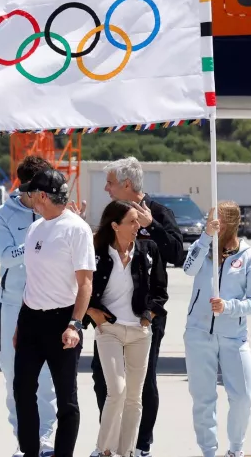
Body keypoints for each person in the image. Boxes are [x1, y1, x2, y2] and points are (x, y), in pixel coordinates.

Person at [91, 157, 184, 457]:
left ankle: (140, 444)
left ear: (127, 185)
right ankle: (112, 438)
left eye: (110, 183)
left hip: (145, 319)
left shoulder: (158, 212)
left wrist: (151, 226)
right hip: (111, 321)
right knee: (103, 379)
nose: (106, 189)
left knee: (143, 384)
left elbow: (177, 253)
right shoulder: (112, 216)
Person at [13, 169, 95, 457]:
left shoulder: (76, 229)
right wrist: (19, 325)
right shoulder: (36, 228)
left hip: (62, 322)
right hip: (30, 319)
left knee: (66, 399)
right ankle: (30, 452)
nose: (28, 197)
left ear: (43, 196)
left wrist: (75, 324)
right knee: (22, 391)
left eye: (31, 193)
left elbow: (85, 284)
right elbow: (32, 280)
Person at [85, 200, 167, 457]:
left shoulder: (147, 250)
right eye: (132, 221)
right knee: (116, 391)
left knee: (134, 397)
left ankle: (126, 451)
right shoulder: (96, 251)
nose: (137, 226)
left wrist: (148, 316)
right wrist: (91, 312)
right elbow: (79, 286)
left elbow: (160, 291)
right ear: (115, 225)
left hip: (139, 333)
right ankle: (103, 449)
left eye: (137, 221)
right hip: (108, 330)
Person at [182, 201, 251, 457]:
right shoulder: (203, 248)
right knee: (203, 398)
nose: (213, 224)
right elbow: (188, 269)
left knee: (243, 393)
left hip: (233, 336)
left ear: (231, 224)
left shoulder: (249, 257)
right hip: (199, 333)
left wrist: (228, 307)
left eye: (217, 221)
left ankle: (236, 449)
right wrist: (205, 237)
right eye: (210, 220)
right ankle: (208, 451)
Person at [0, 155, 58, 457]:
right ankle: (24, 440)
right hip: (13, 306)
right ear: (27, 187)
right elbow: (7, 257)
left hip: (49, 305)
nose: (47, 194)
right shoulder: (1, 215)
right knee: (15, 379)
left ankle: (44, 439)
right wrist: (37, 235)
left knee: (47, 379)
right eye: (42, 188)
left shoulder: (55, 211)